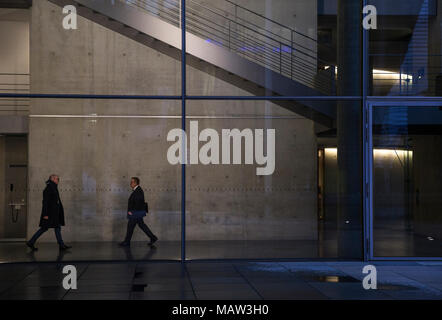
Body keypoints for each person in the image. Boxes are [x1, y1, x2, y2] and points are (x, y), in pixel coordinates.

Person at [26, 174, 72, 251]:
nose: (58, 181)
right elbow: (45, 202)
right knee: (44, 228)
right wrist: (45, 214)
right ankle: (31, 242)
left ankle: (61, 245)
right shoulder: (48, 189)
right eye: (57, 179)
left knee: (57, 227)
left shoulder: (53, 188)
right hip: (49, 214)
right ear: (53, 179)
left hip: (54, 214)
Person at [119, 177, 158, 247]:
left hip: (135, 213)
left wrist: (132, 211)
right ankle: (153, 237)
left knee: (130, 227)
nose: (130, 183)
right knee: (141, 225)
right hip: (137, 213)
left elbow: (138, 203)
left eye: (132, 182)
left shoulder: (138, 191)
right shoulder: (137, 190)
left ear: (136, 183)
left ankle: (127, 242)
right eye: (130, 182)